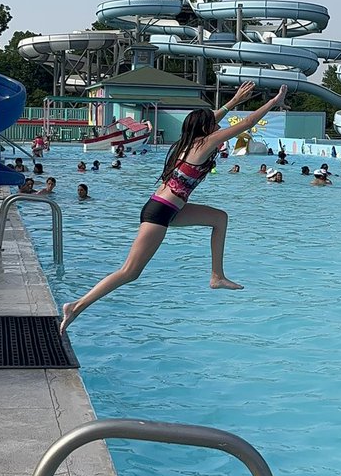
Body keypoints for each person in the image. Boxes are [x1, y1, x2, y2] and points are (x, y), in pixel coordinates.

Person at [59, 83, 288, 333]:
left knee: (220, 218)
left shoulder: (188, 143)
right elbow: (245, 125)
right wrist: (273, 102)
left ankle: (216, 276)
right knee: (130, 271)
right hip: (159, 211)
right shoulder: (203, 144)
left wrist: (233, 101)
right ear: (205, 129)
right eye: (212, 124)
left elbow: (212, 118)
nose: (217, 125)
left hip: (169, 208)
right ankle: (77, 306)